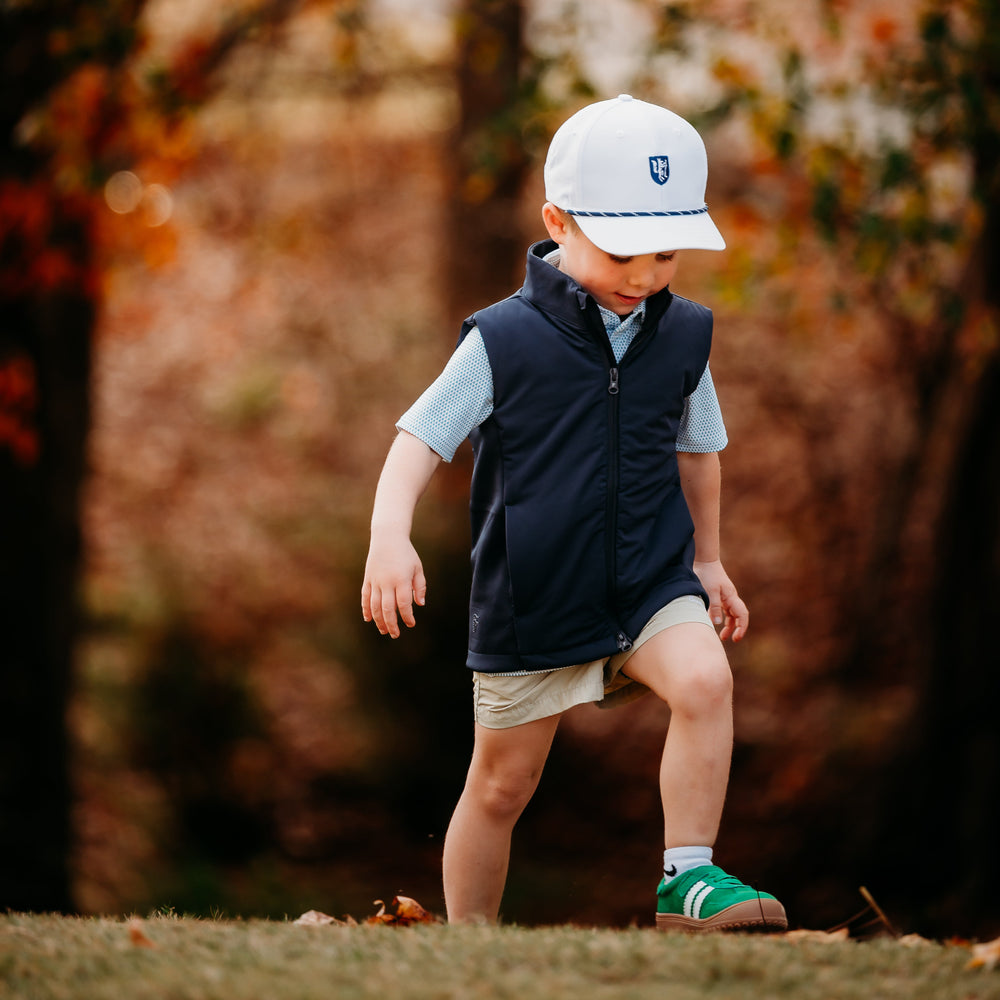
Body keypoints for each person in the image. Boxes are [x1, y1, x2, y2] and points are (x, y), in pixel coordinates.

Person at [361, 94, 787, 932]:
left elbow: (698, 452)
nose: (643, 276)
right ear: (558, 222)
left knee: (706, 680)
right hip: (535, 597)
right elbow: (418, 438)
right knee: (501, 786)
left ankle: (687, 880)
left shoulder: (683, 335)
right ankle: (471, 943)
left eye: (666, 254)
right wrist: (388, 535)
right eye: (623, 250)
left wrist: (707, 561)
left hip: (650, 578)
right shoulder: (501, 341)